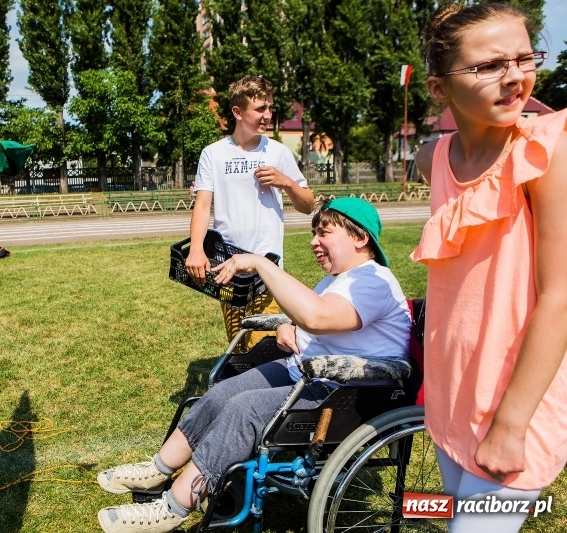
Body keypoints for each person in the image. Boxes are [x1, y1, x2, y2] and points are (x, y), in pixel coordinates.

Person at [97, 198, 412, 533]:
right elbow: (312, 320)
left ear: (359, 238)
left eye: (324, 233)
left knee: (244, 409)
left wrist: (263, 264)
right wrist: (286, 327)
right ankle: (159, 469)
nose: (313, 242)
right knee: (223, 393)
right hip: (309, 372)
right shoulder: (341, 279)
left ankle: (174, 508)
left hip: (347, 392)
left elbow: (318, 316)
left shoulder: (373, 280)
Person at [411, 3, 567, 531]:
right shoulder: (435, 155)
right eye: (488, 66)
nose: (515, 77)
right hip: (452, 394)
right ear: (439, 89)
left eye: (524, 59)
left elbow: (559, 296)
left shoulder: (545, 153)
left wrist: (512, 422)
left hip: (515, 402)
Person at [186, 75, 315, 351]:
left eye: (269, 107)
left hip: (268, 268)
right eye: (260, 109)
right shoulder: (213, 154)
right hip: (228, 268)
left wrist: (287, 182)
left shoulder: (278, 153)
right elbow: (202, 203)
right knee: (239, 346)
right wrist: (196, 248)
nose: (268, 115)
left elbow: (308, 204)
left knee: (266, 347)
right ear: (237, 112)